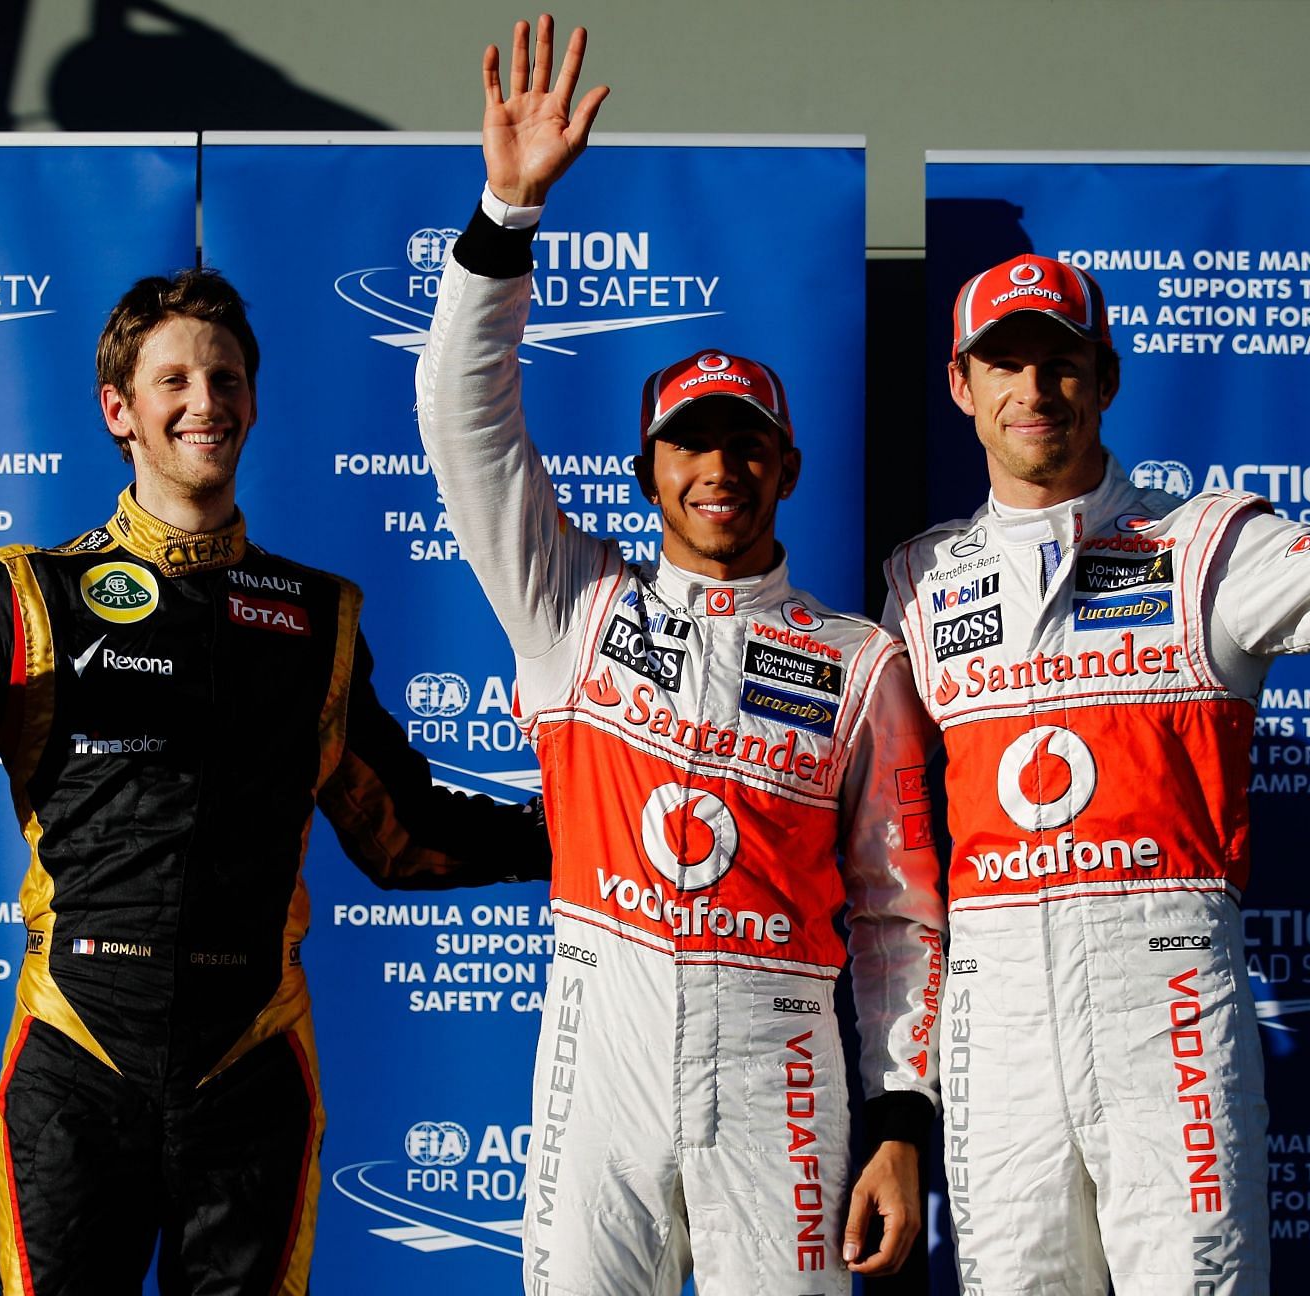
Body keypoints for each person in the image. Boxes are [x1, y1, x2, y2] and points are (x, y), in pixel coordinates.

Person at [0, 267, 549, 1295]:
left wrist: (586, 829)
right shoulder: (31, 597)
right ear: (121, 410)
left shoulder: (319, 617)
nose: (208, 403)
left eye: (228, 378)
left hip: (252, 1053)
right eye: (176, 381)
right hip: (79, 1049)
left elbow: (404, 836)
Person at [884, 251, 1310, 1293]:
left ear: (1105, 380)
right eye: (1005, 363)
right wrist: (901, 1089)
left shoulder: (1204, 546)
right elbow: (891, 860)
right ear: (960, 386)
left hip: (1165, 999)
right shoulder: (922, 582)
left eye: (1061, 364)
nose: (1034, 392)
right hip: (995, 1020)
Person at [414, 17, 944, 1293]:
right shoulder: (573, 603)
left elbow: (898, 915)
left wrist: (901, 1125)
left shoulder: (858, 658)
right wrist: (505, 214)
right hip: (607, 1028)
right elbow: (462, 423)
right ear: (647, 470)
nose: (721, 468)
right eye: (692, 444)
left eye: (747, 444)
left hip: (785, 1056)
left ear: (789, 468)